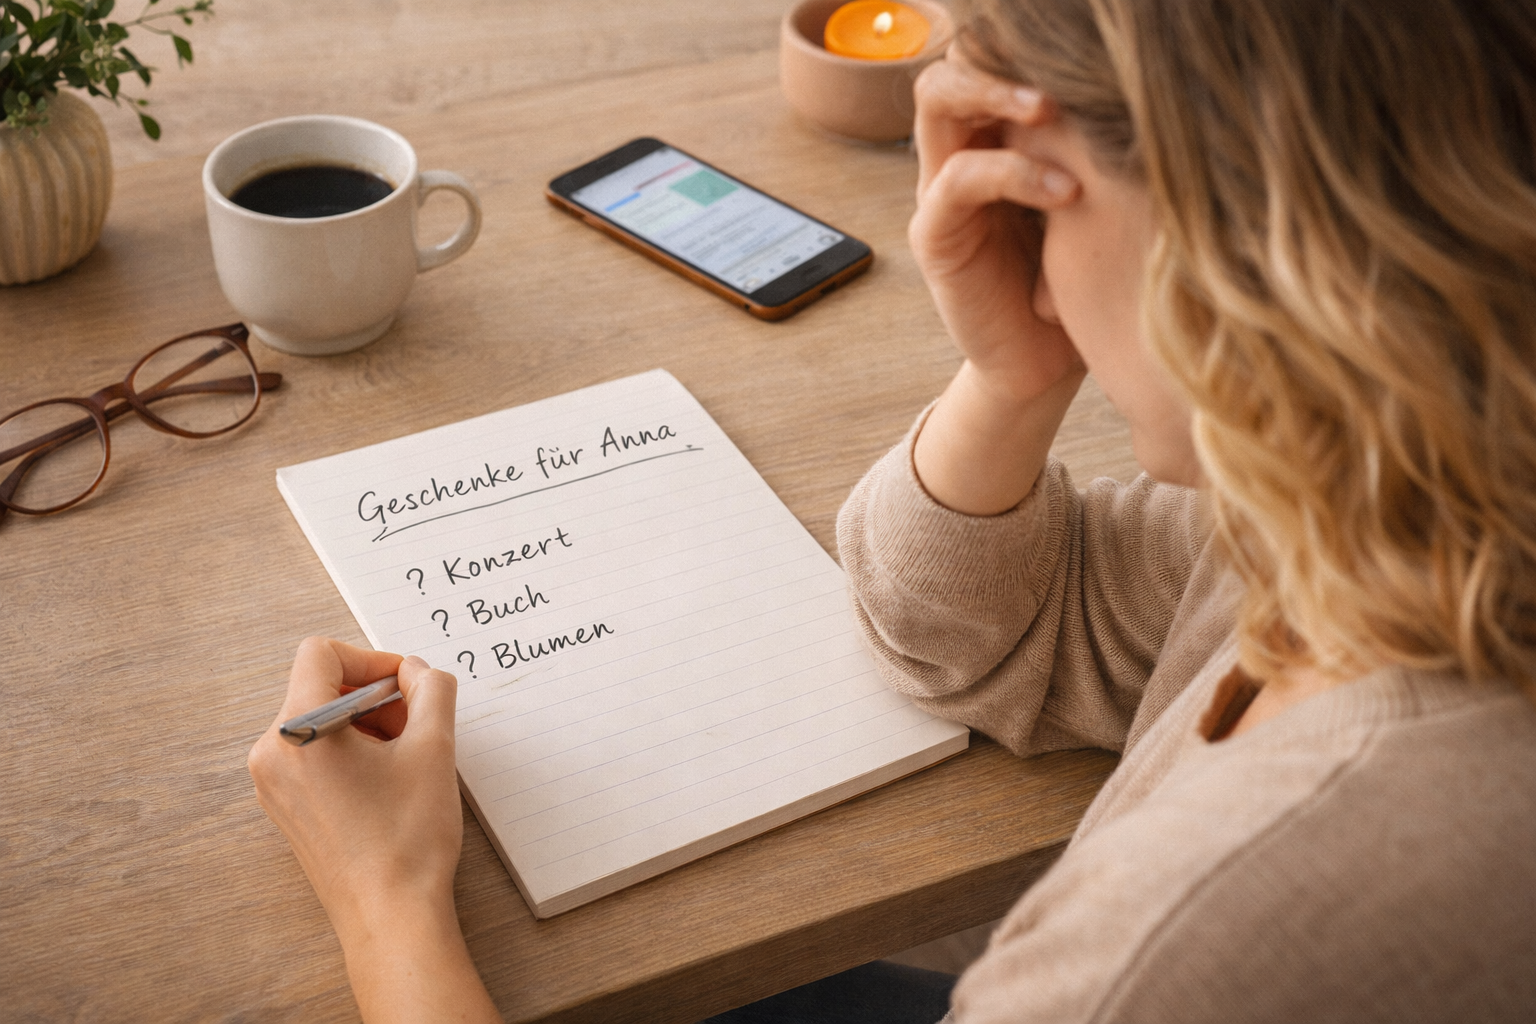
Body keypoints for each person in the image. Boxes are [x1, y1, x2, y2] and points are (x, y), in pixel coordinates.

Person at [247, 0, 1536, 1020]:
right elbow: (999, 629)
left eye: (1034, 179)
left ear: (1224, 226)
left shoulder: (1177, 949)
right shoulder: (1387, 499)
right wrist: (1014, 370)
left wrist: (388, 897)